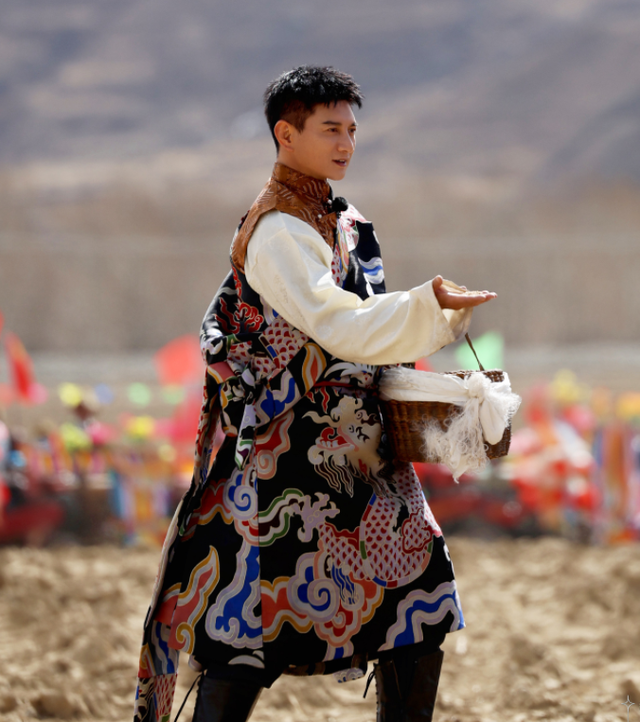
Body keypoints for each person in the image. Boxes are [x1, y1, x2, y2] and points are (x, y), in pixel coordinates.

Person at [134, 65, 496, 722]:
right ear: (285, 133)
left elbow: (360, 319)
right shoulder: (277, 229)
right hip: (289, 462)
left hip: (364, 454)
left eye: (352, 129)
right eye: (331, 129)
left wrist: (430, 315)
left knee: (419, 603)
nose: (346, 143)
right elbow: (338, 323)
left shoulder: (344, 219)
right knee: (249, 633)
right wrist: (428, 306)